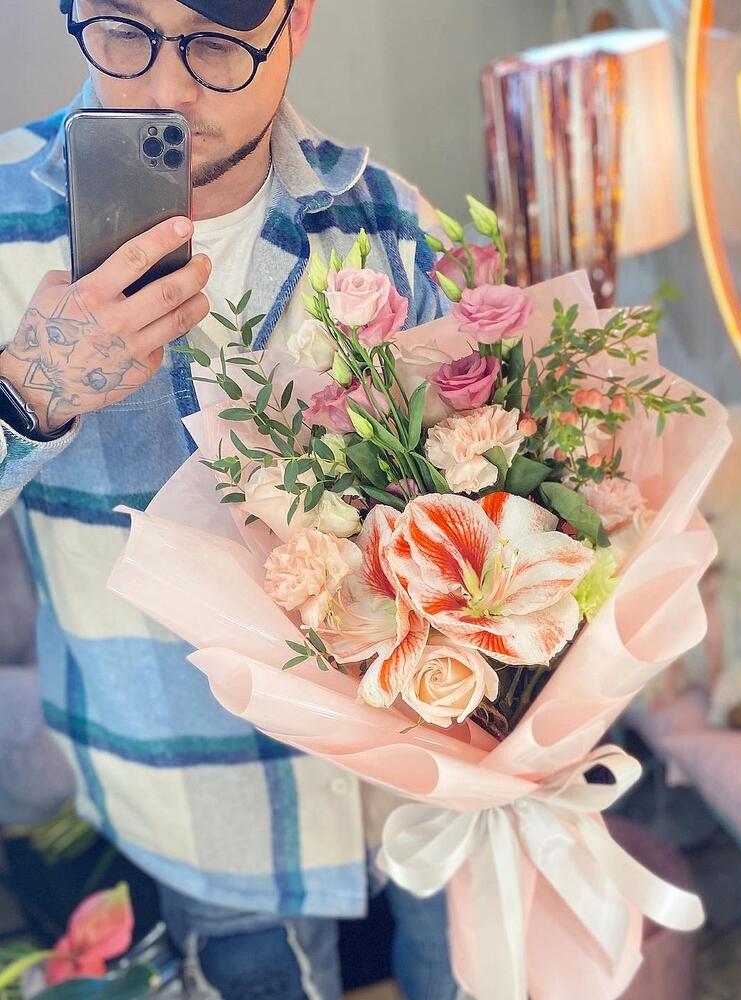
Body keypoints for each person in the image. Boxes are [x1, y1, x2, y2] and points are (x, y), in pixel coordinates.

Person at [0, 2, 457, 997]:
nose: (164, 90)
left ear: (294, 25)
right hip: (201, 803)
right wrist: (24, 396)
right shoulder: (3, 224)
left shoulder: (387, 219)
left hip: (424, 767)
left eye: (214, 43)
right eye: (121, 29)